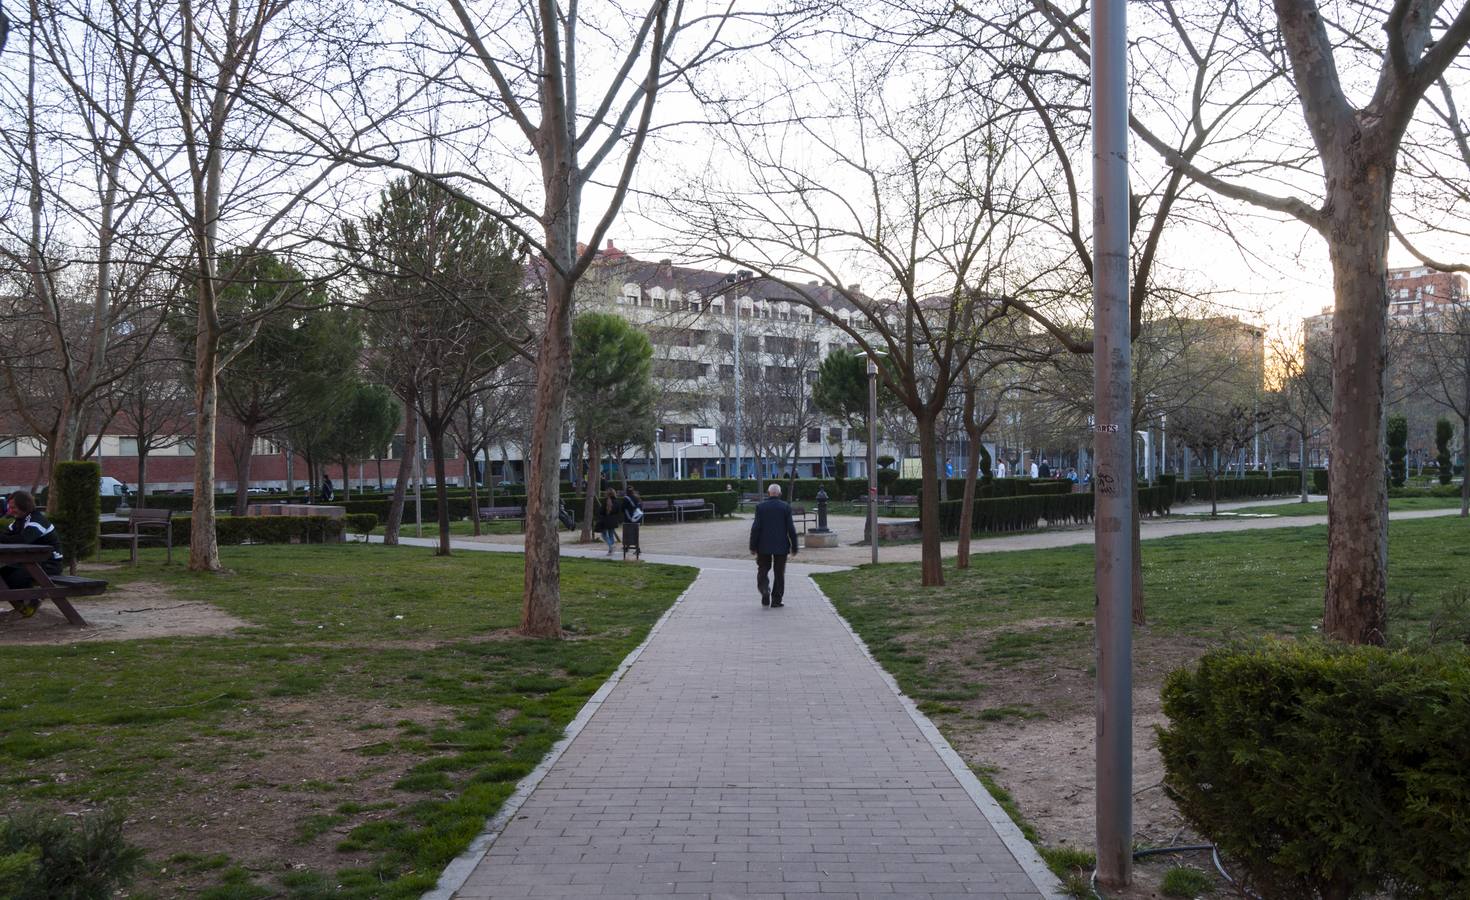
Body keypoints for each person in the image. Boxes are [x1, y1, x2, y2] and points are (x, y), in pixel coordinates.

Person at [2, 491, 63, 617]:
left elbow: (23, 540)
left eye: (13, 507)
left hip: (50, 564)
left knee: (17, 577)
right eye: (10, 507)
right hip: (32, 563)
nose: (11, 510)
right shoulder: (19, 521)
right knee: (3, 575)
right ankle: (24, 605)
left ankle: (32, 602)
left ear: (24, 505)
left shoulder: (37, 521)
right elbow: (6, 536)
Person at [749, 483, 798, 608]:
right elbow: (791, 528)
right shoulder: (785, 507)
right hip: (781, 545)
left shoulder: (760, 507)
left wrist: (752, 546)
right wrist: (794, 546)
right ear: (780, 494)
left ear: (768, 492)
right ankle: (776, 600)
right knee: (779, 573)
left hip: (763, 545)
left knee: (763, 569)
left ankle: (765, 589)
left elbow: (756, 528)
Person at [595, 488, 621, 555]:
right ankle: (611, 549)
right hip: (613, 520)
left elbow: (601, 511)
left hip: (605, 520)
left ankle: (611, 547)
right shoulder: (617, 501)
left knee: (604, 535)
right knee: (611, 534)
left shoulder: (605, 501)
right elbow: (618, 511)